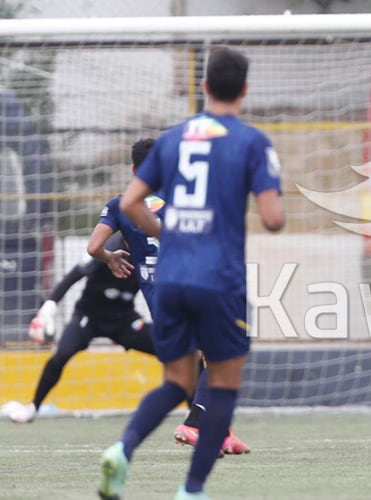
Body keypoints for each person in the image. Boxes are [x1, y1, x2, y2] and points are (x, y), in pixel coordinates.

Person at [97, 46, 285, 500]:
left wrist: (169, 232)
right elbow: (273, 217)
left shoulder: (172, 140)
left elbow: (130, 204)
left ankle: (122, 450)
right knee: (221, 384)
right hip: (218, 277)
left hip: (171, 280)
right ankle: (192, 489)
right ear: (244, 89)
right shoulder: (251, 141)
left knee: (177, 381)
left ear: (204, 87)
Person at [87, 138, 250, 455]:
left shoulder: (121, 205)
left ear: (134, 170)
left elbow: (93, 247)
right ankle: (194, 424)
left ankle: (220, 432)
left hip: (159, 297)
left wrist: (110, 258)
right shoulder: (186, 199)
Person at [6, 234, 154, 423]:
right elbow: (73, 276)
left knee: (174, 350)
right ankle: (33, 406)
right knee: (61, 355)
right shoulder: (107, 248)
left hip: (124, 320)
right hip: (88, 317)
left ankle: (191, 418)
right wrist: (48, 309)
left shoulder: (152, 253)